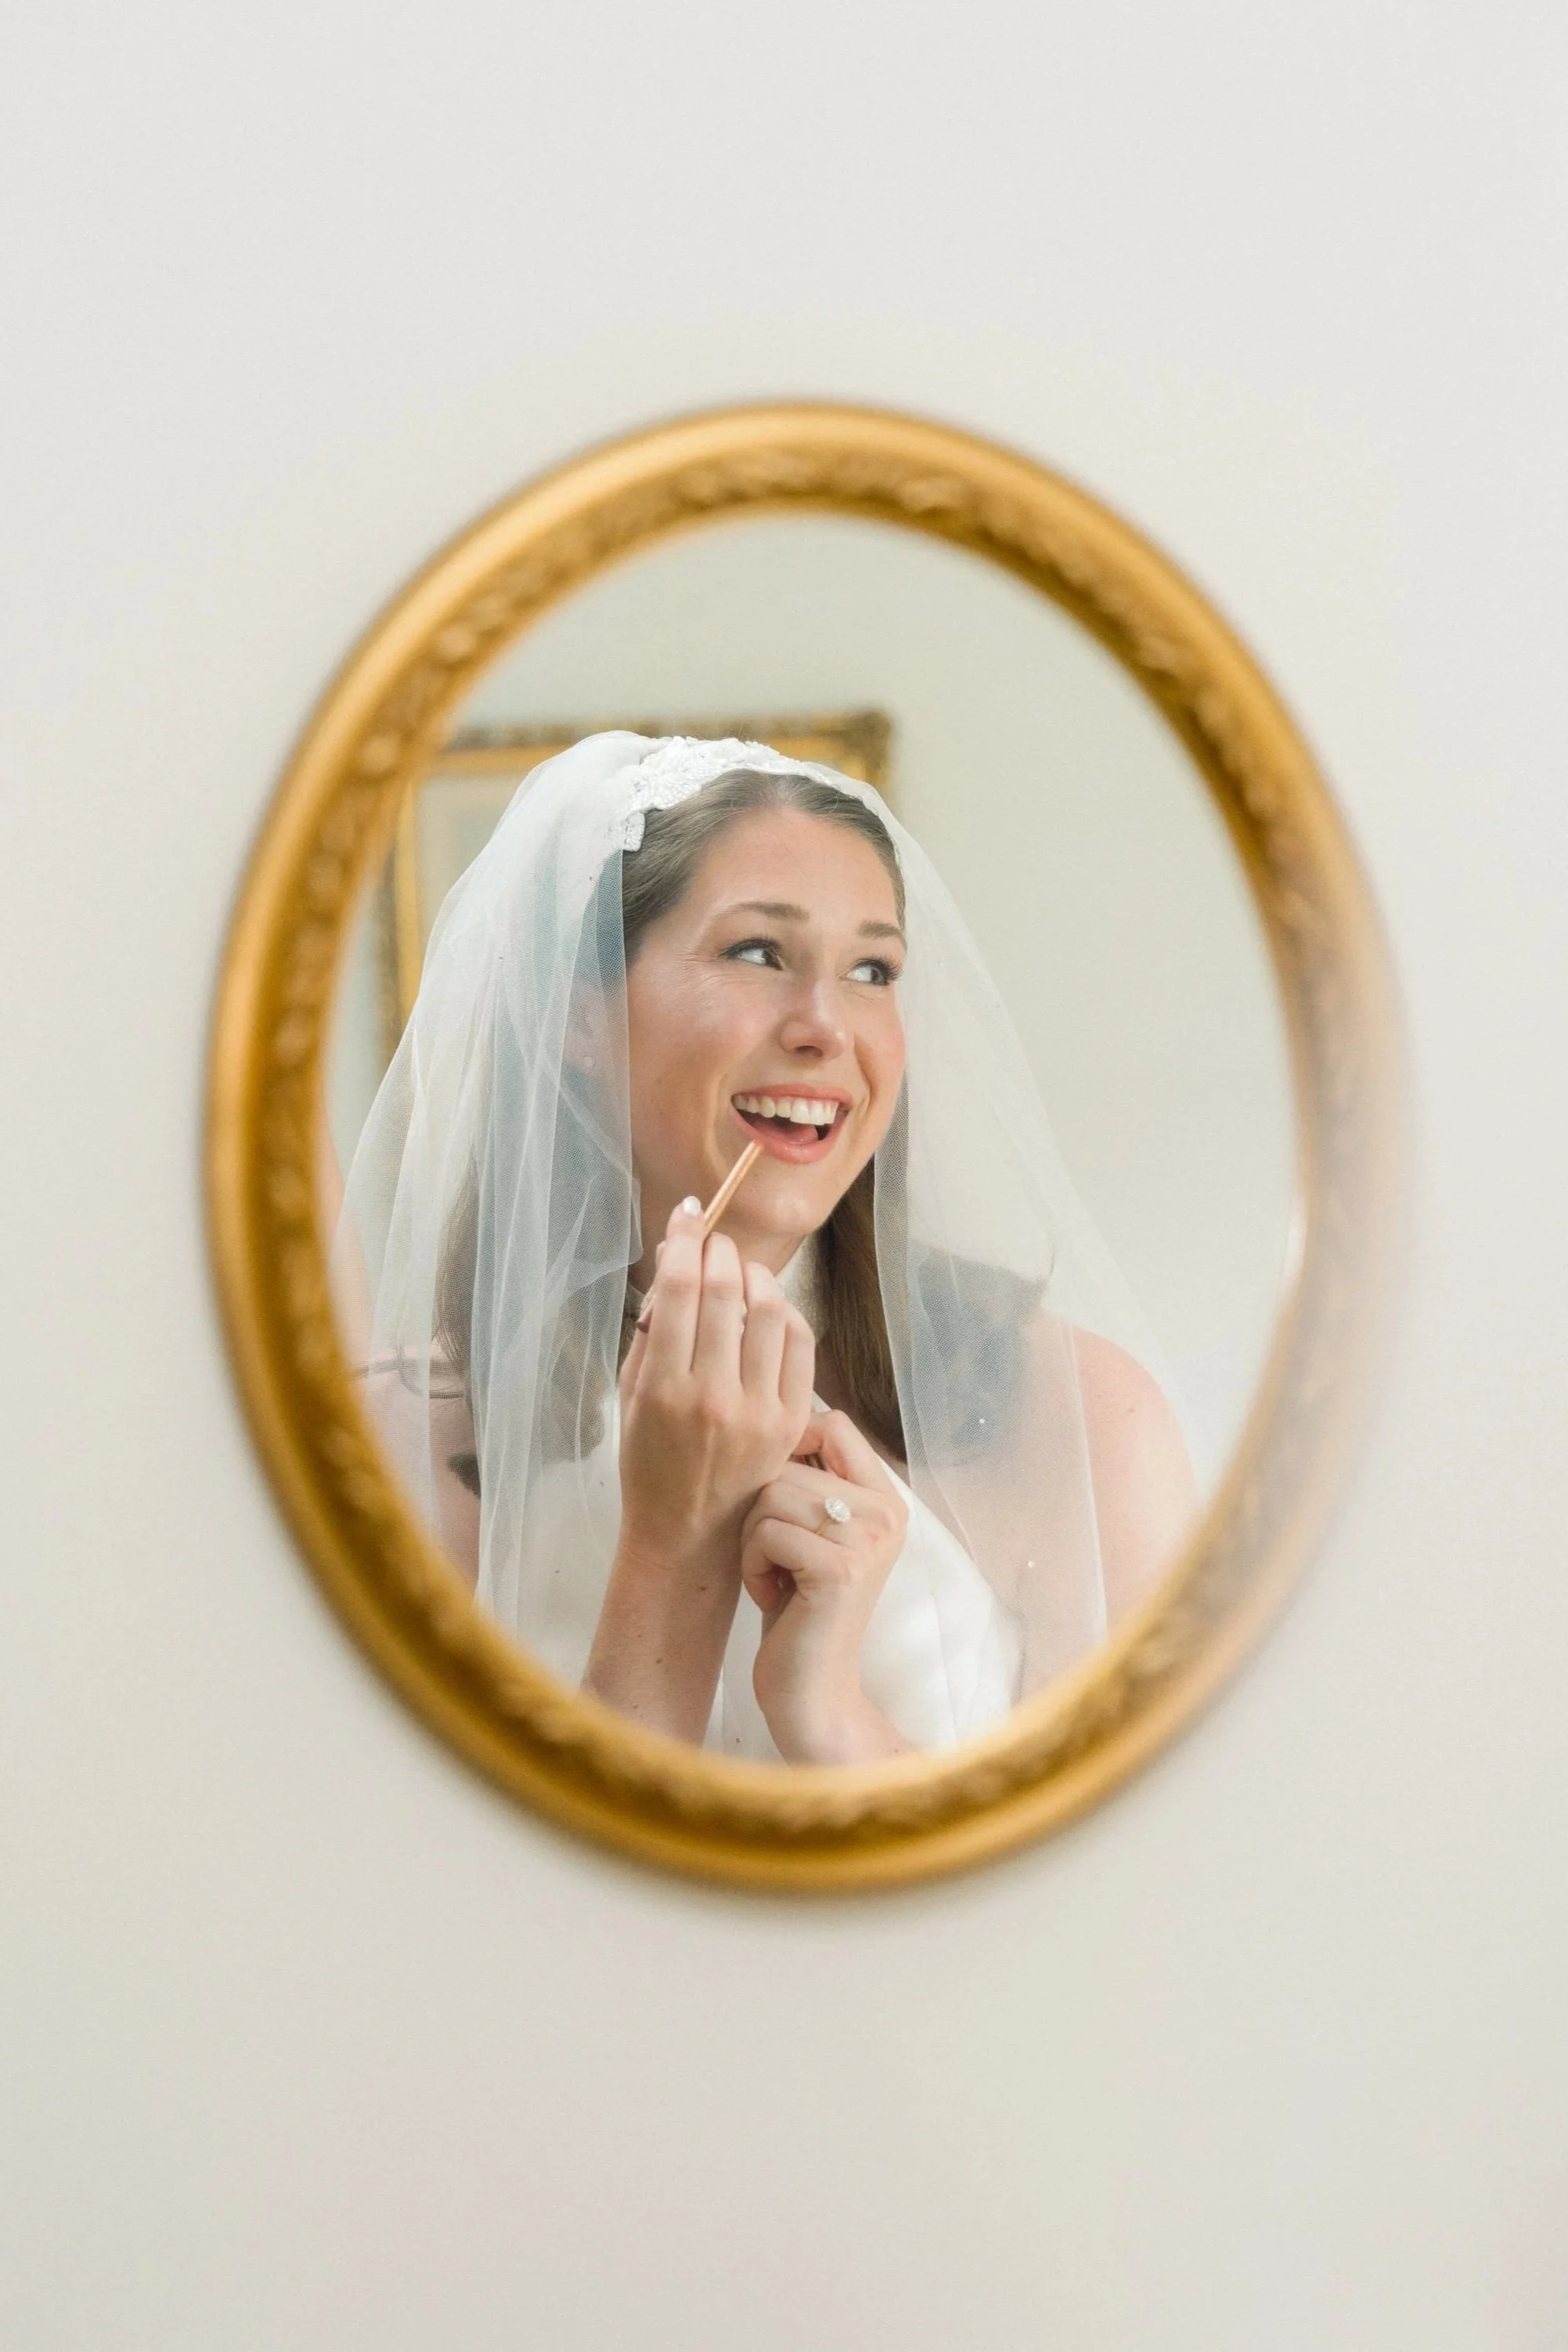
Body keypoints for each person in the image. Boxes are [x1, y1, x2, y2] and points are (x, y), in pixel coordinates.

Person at [337, 733, 1196, 1764]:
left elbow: (1123, 1909)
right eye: (757, 952)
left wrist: (830, 1713)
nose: (827, 1027)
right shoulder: (403, 1442)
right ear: (578, 1017)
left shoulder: (1083, 1415)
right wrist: (670, 1553)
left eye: (872, 969)